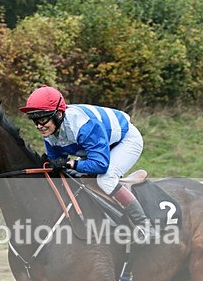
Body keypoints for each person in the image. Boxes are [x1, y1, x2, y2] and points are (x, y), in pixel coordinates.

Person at [20, 86, 155, 237]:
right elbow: (57, 162)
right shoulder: (50, 131)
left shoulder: (83, 125)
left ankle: (145, 225)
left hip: (125, 140)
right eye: (35, 120)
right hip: (96, 145)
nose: (39, 126)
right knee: (72, 176)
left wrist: (71, 164)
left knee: (106, 179)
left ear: (58, 114)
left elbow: (100, 165)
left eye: (43, 119)